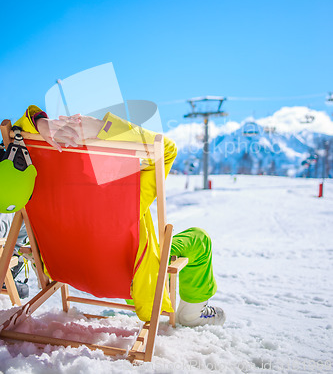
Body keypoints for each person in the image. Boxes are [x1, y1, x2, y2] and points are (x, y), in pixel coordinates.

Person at [6, 105, 226, 327]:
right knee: (199, 238)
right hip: (131, 277)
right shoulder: (128, 194)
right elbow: (166, 149)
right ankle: (193, 313)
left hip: (61, 265)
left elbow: (16, 132)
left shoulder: (44, 183)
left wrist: (43, 125)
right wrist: (104, 128)